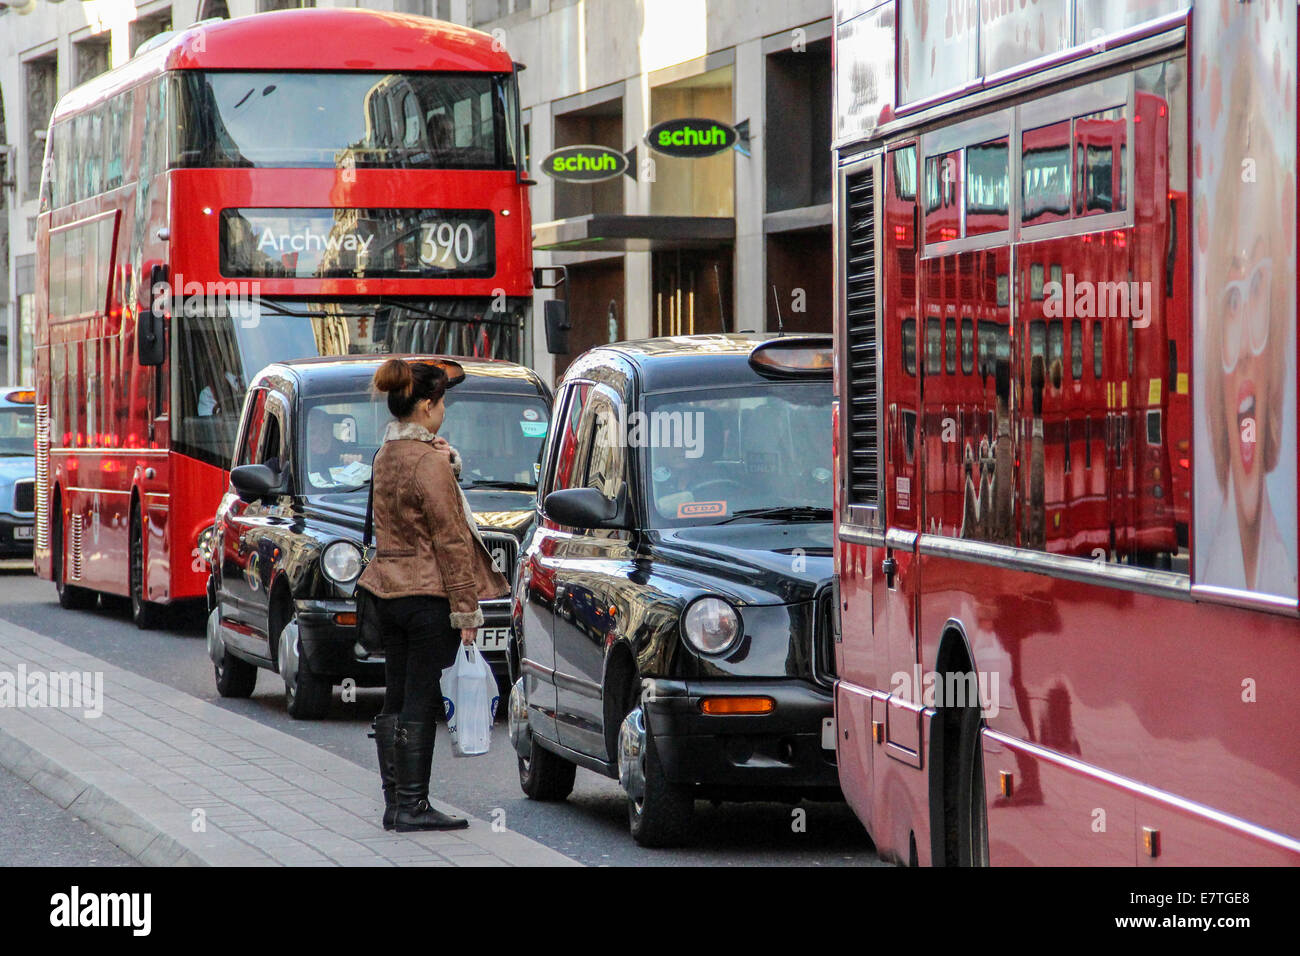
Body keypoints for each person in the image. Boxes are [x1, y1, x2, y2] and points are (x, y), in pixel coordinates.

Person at [357, 359, 509, 831]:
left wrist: (447, 461)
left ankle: (395, 802)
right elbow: (450, 539)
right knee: (422, 702)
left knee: (396, 698)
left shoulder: (387, 455)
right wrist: (467, 613)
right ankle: (413, 805)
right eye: (441, 402)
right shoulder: (430, 463)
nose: (444, 411)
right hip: (428, 599)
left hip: (390, 593)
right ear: (426, 406)